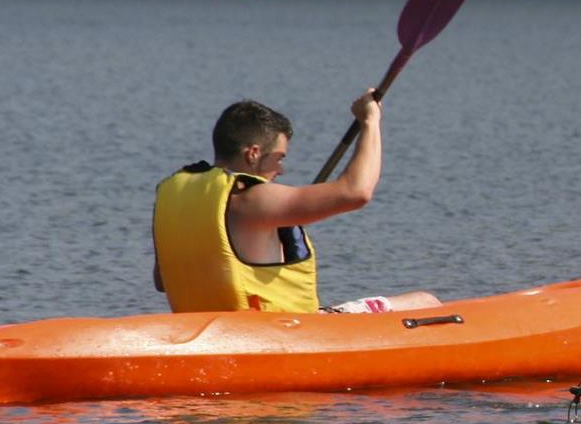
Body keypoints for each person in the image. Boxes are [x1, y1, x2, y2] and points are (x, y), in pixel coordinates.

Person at [152, 91, 440, 314]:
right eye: (278, 158)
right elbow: (356, 192)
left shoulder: (174, 191)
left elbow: (162, 281)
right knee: (425, 302)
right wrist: (370, 121)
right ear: (253, 153)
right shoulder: (249, 197)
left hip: (203, 331)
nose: (281, 170)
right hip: (276, 333)